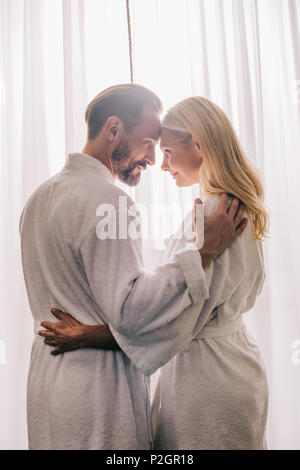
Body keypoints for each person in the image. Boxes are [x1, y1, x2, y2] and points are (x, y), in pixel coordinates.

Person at [20, 85, 246, 450]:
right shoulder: (110, 201)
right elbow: (132, 314)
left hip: (47, 385)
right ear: (113, 131)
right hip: (96, 393)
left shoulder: (39, 198)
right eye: (148, 143)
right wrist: (201, 256)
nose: (154, 159)